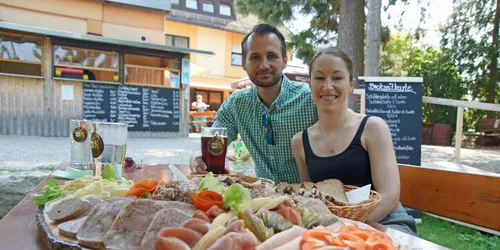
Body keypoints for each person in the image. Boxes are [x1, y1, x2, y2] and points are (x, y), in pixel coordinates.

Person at [290, 47, 417, 235]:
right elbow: (310, 198)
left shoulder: (373, 128)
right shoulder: (300, 142)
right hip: (332, 230)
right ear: (310, 83)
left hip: (386, 224)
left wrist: (344, 230)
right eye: (319, 77)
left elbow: (389, 197)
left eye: (337, 78)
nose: (327, 85)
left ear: (351, 84)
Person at [190, 24, 318, 183]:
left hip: (308, 197)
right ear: (244, 63)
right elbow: (214, 139)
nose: (264, 65)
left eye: (271, 56)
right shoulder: (237, 104)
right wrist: (196, 157)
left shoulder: (310, 98)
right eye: (255, 57)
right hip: (264, 198)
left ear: (285, 60)